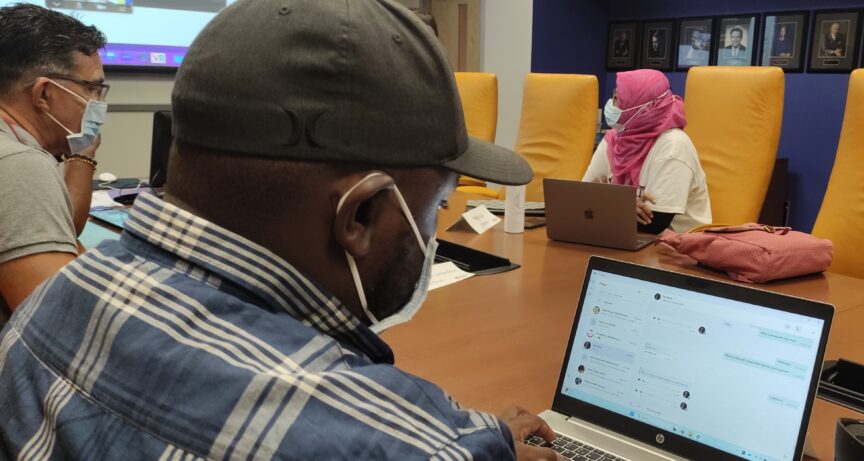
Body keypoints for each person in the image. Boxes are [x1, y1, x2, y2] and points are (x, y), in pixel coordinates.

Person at [0, 1, 560, 460]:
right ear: (359, 218)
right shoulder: (401, 447)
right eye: (437, 203)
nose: (434, 226)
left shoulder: (52, 299)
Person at [0, 4, 108, 319]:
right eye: (93, 88)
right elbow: (57, 324)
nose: (98, 103)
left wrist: (81, 153)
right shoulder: (19, 163)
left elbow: (54, 231)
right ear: (44, 94)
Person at [583, 69, 711, 234]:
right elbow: (582, 198)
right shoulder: (614, 139)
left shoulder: (674, 147)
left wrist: (606, 202)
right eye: (614, 96)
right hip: (620, 238)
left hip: (676, 248)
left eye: (619, 99)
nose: (612, 103)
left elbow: (654, 223)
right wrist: (620, 205)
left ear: (643, 108)